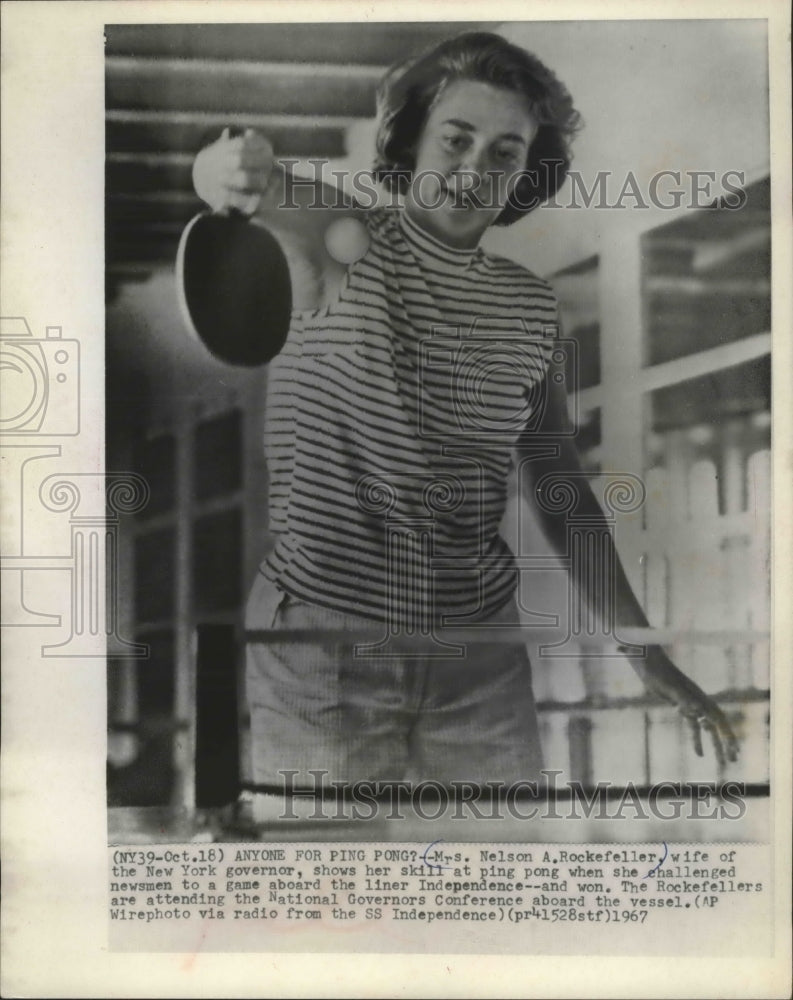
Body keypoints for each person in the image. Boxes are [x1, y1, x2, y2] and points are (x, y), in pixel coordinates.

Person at [191, 32, 738, 806]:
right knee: (332, 898)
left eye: (504, 152)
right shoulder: (341, 244)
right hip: (325, 645)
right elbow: (256, 186)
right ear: (411, 138)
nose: (474, 169)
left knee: (494, 878)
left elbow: (558, 485)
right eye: (455, 138)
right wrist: (224, 168)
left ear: (524, 173)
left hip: (478, 654)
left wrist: (645, 653)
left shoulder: (529, 307)